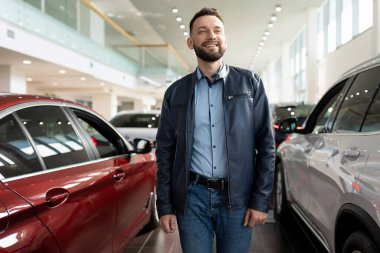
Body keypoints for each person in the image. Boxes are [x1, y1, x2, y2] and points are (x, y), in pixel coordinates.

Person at [155, 7, 275, 253]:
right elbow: (165, 152)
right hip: (192, 199)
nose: (211, 35)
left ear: (225, 39)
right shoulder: (176, 93)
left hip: (237, 198)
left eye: (217, 30)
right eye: (202, 31)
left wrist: (261, 201)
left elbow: (266, 147)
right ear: (191, 41)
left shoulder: (251, 85)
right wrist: (165, 205)